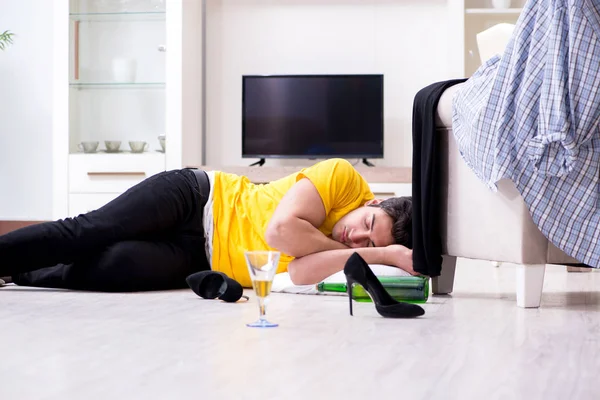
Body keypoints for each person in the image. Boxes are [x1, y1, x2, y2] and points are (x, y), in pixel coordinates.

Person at [0, 158, 415, 292]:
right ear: (372, 201)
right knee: (89, 231)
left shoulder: (354, 248)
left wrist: (379, 254)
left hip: (198, 256)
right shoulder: (343, 178)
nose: (355, 236)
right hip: (197, 198)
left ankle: (16, 272)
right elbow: (278, 233)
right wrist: (372, 251)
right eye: (367, 222)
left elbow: (301, 273)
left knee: (114, 267)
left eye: (367, 241)